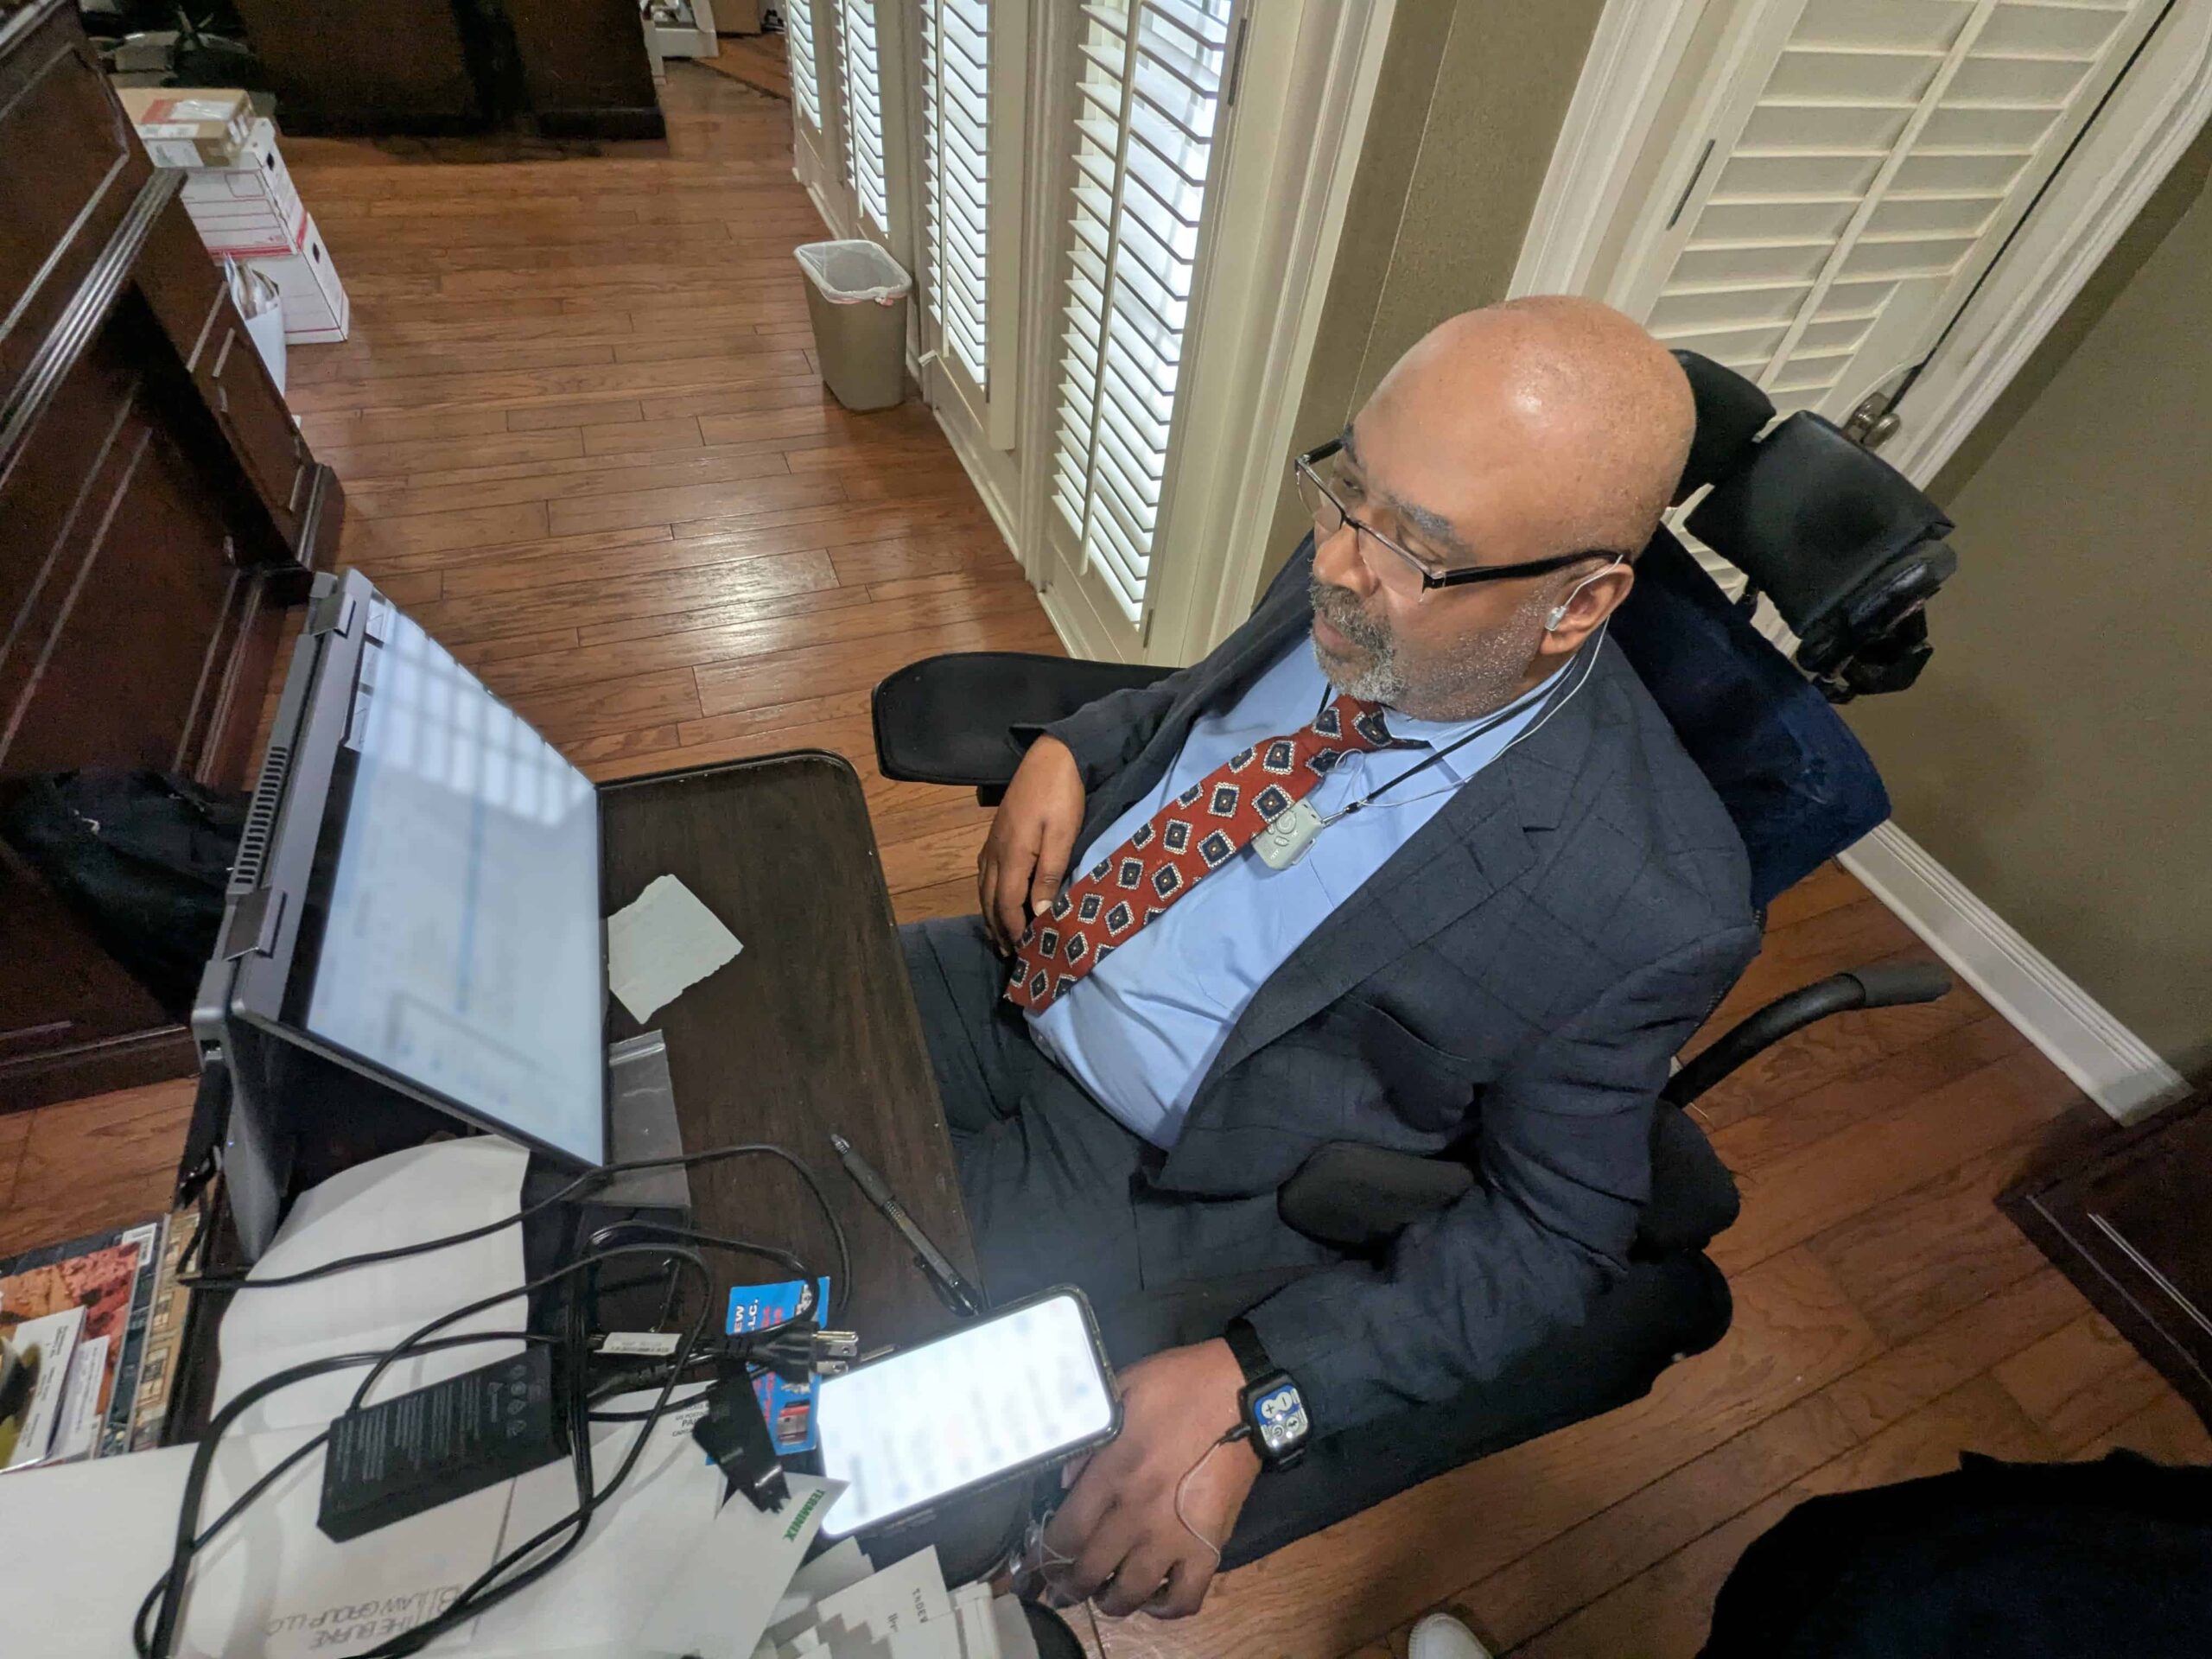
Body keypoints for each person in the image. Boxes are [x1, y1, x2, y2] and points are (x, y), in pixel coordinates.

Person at [902, 296, 1760, 1619]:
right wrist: (1077, 746)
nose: (1339, 561)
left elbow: (1551, 1235)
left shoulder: (1645, 899)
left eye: (1414, 545)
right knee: (708, 1061)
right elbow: (1191, 703)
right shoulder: (1366, 568)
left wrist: (1264, 1385)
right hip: (1015, 969)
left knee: (819, 1381)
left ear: (1577, 603)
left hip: (1153, 1173)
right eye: (1348, 487)